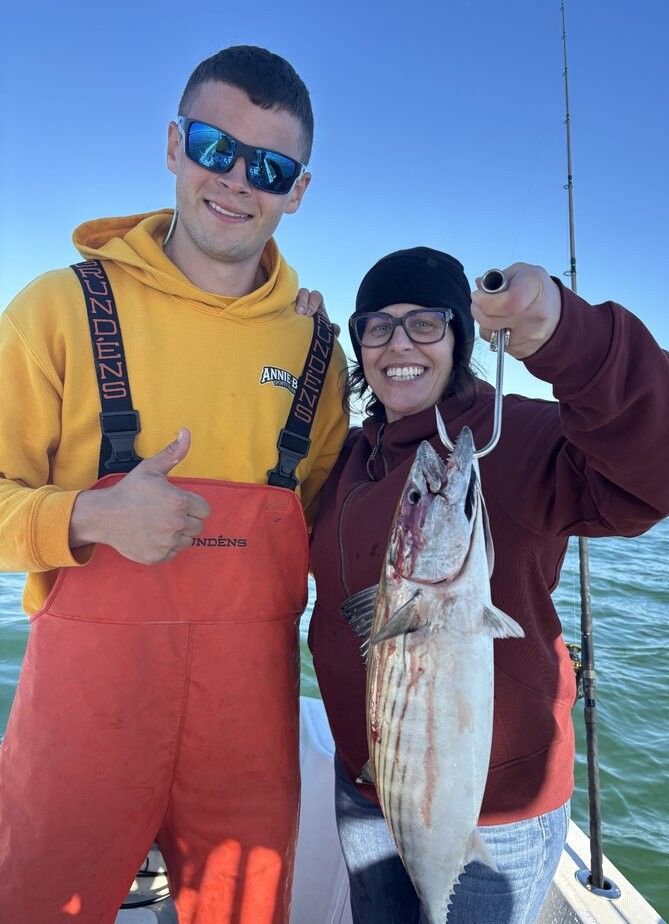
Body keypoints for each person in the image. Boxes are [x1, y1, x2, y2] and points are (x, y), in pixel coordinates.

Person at [0, 47, 348, 923]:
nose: (236, 181)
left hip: (249, 742)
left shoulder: (317, 351)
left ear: (297, 191)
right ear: (172, 143)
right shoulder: (57, 309)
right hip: (80, 731)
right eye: (213, 145)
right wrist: (87, 516)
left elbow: (350, 534)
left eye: (269, 167)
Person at [305, 246, 669, 922]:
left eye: (425, 324)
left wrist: (568, 335)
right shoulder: (351, 455)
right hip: (371, 787)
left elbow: (665, 463)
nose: (397, 344)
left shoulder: (511, 436)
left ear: (461, 335)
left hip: (495, 811)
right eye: (376, 326)